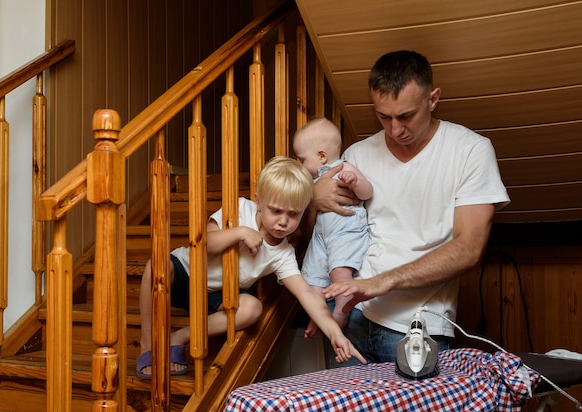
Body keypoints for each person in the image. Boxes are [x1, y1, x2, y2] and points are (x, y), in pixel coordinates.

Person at [312, 50, 510, 366]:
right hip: (350, 317)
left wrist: (381, 282)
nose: (394, 129)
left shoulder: (470, 151)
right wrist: (313, 198)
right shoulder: (358, 154)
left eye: (405, 116)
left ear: (433, 99)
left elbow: (469, 248)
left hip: (418, 327)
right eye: (383, 117)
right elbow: (328, 229)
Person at [136, 156, 365, 379]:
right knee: (156, 264)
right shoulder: (239, 210)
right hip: (186, 274)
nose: (283, 221)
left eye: (293, 214)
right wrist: (241, 232)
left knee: (252, 309)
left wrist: (335, 334)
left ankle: (181, 336)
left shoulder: (283, 253)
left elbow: (305, 293)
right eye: (275, 211)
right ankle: (147, 344)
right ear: (258, 201)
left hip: (218, 296)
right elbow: (203, 244)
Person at [292, 117, 373, 339]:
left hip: (345, 231)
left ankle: (341, 310)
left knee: (339, 273)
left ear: (321, 156)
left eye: (302, 159)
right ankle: (318, 316)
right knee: (312, 279)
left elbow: (367, 193)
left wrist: (355, 182)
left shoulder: (344, 167)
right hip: (322, 235)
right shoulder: (313, 181)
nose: (300, 164)